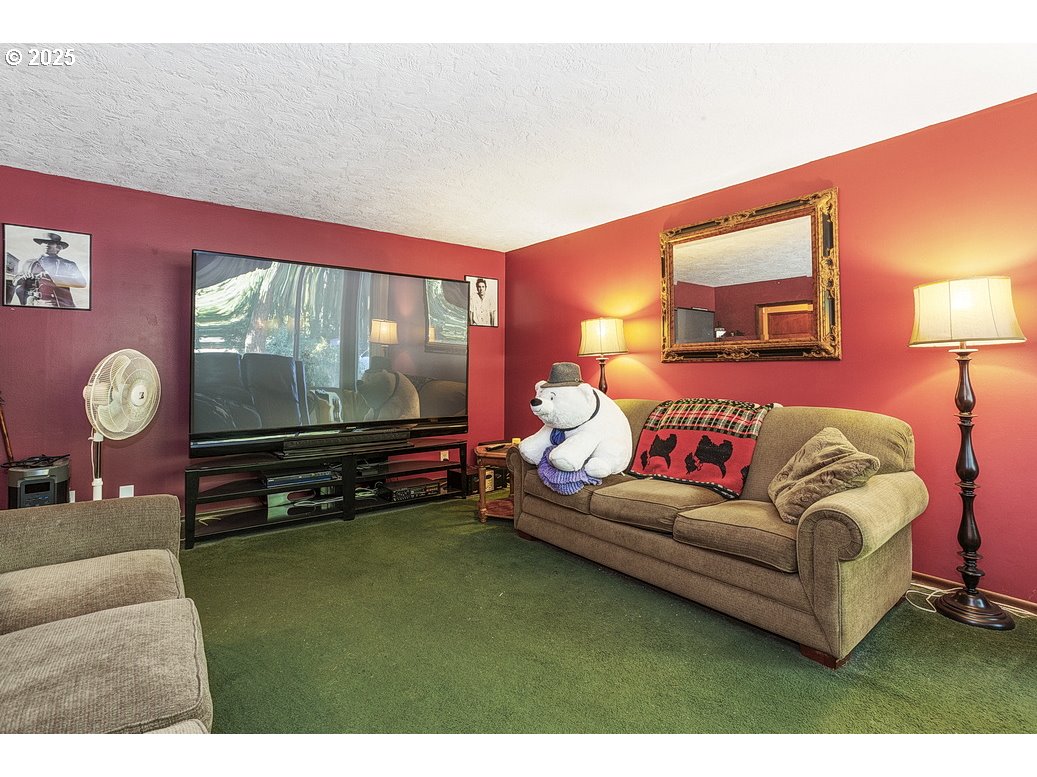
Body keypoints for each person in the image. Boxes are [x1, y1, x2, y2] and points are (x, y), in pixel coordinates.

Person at [12, 232, 87, 308]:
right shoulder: (29, 263)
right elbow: (15, 280)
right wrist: (23, 278)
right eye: (44, 242)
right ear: (41, 245)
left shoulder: (68, 264)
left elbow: (82, 283)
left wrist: (52, 276)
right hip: (33, 304)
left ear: (58, 247)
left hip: (59, 305)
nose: (47, 245)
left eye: (51, 243)